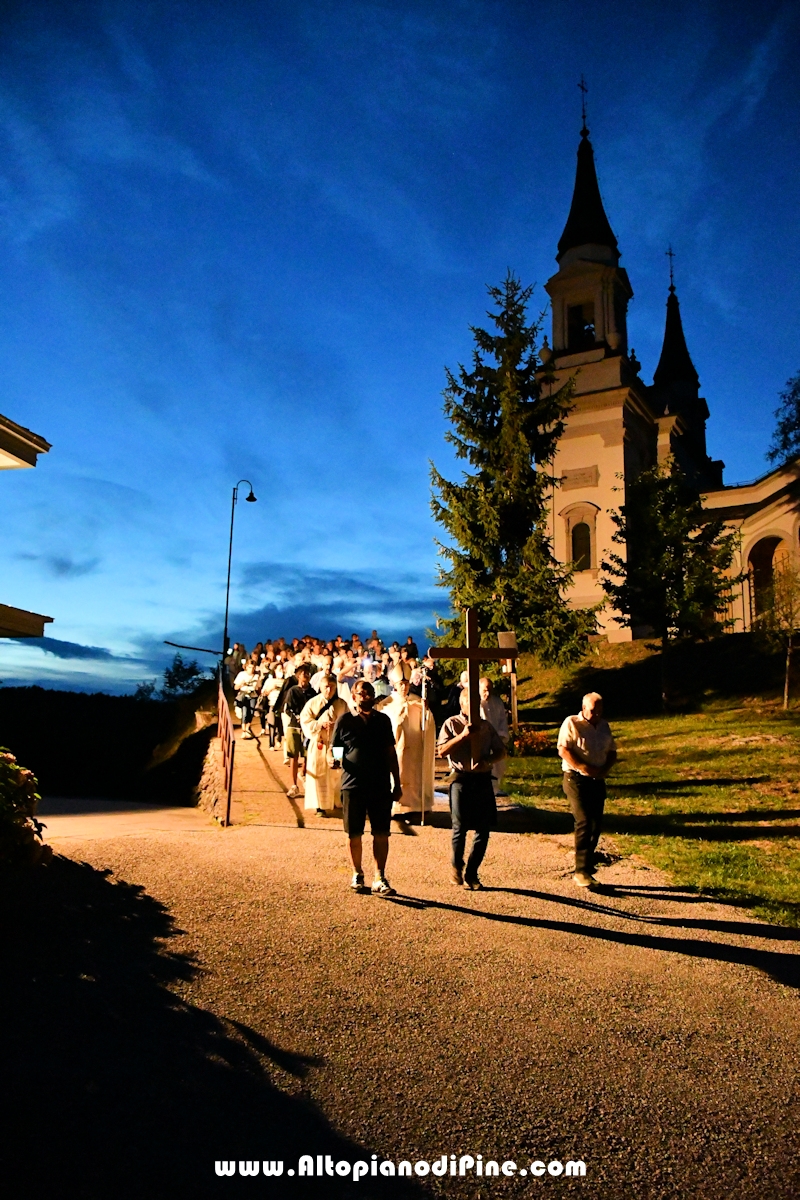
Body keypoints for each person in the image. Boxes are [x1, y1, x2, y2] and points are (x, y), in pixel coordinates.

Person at [332, 678, 402, 896]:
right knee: (354, 833)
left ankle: (380, 876)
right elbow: (336, 747)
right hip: (352, 784)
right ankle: (357, 873)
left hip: (379, 785)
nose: (366, 695)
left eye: (369, 692)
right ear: (354, 696)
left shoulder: (382, 721)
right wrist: (334, 759)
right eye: (361, 692)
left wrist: (397, 783)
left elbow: (391, 753)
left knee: (381, 833)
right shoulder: (345, 721)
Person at [437, 689, 506, 890]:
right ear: (462, 704)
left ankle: (472, 872)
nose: (475, 707)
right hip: (461, 779)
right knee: (460, 827)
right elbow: (442, 751)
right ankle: (456, 866)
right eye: (470, 702)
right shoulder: (452, 723)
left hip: (482, 779)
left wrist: (488, 760)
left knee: (483, 829)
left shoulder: (486, 726)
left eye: (477, 703)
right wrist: (463, 735)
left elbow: (501, 750)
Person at [557, 691, 617, 890]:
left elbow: (612, 752)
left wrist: (604, 769)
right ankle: (580, 870)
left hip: (597, 779)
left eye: (600, 710)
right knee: (583, 820)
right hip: (575, 778)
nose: (597, 714)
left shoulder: (604, 726)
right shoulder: (572, 723)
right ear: (584, 709)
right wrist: (582, 767)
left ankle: (588, 866)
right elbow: (563, 749)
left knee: (595, 823)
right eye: (593, 711)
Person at [379, 673, 435, 819]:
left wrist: (426, 712)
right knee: (398, 774)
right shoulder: (386, 705)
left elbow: (427, 725)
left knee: (415, 774)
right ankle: (397, 807)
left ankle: (416, 806)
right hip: (397, 748)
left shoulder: (417, 702)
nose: (404, 687)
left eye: (406, 683)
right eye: (400, 684)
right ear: (395, 685)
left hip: (415, 748)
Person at [300, 674, 348, 814]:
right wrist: (320, 724)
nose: (329, 690)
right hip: (319, 742)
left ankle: (336, 801)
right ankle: (320, 806)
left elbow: (346, 721)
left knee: (337, 772)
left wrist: (338, 727)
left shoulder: (341, 704)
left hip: (336, 744)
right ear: (321, 687)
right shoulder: (312, 703)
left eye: (332, 687)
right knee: (318, 773)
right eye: (326, 687)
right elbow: (305, 720)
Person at [282, 664, 317, 798]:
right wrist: (296, 717)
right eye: (303, 673)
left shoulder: (312, 692)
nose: (306, 676)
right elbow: (287, 708)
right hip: (294, 726)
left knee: (308, 754)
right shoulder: (292, 691)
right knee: (294, 755)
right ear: (298, 676)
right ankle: (293, 785)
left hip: (308, 727)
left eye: (307, 673)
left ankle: (304, 775)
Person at [479, 677, 510, 797]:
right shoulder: (475, 703)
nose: (487, 693)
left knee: (497, 766)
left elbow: (502, 720)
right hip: (482, 740)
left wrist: (501, 737)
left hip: (496, 737)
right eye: (485, 690)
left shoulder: (497, 703)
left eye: (490, 690)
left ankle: (495, 788)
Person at [232, 659, 260, 740]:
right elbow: (235, 687)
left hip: (252, 695)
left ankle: (247, 728)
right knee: (244, 713)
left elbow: (257, 687)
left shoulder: (256, 676)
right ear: (246, 667)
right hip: (244, 695)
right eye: (249, 667)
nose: (251, 669)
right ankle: (244, 730)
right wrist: (242, 684)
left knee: (251, 713)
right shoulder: (241, 674)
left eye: (252, 667)